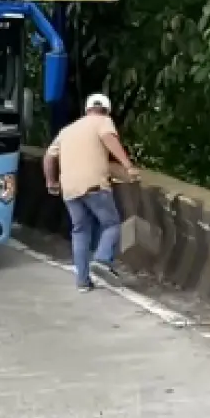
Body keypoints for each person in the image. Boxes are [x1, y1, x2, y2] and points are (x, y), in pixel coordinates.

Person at [42, 93, 139, 293]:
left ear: (87, 109)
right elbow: (108, 138)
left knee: (80, 231)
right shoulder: (103, 121)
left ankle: (83, 282)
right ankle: (102, 260)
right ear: (106, 109)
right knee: (111, 224)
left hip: (70, 189)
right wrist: (128, 166)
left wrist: (51, 182)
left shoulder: (67, 130)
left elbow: (49, 157)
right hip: (94, 186)